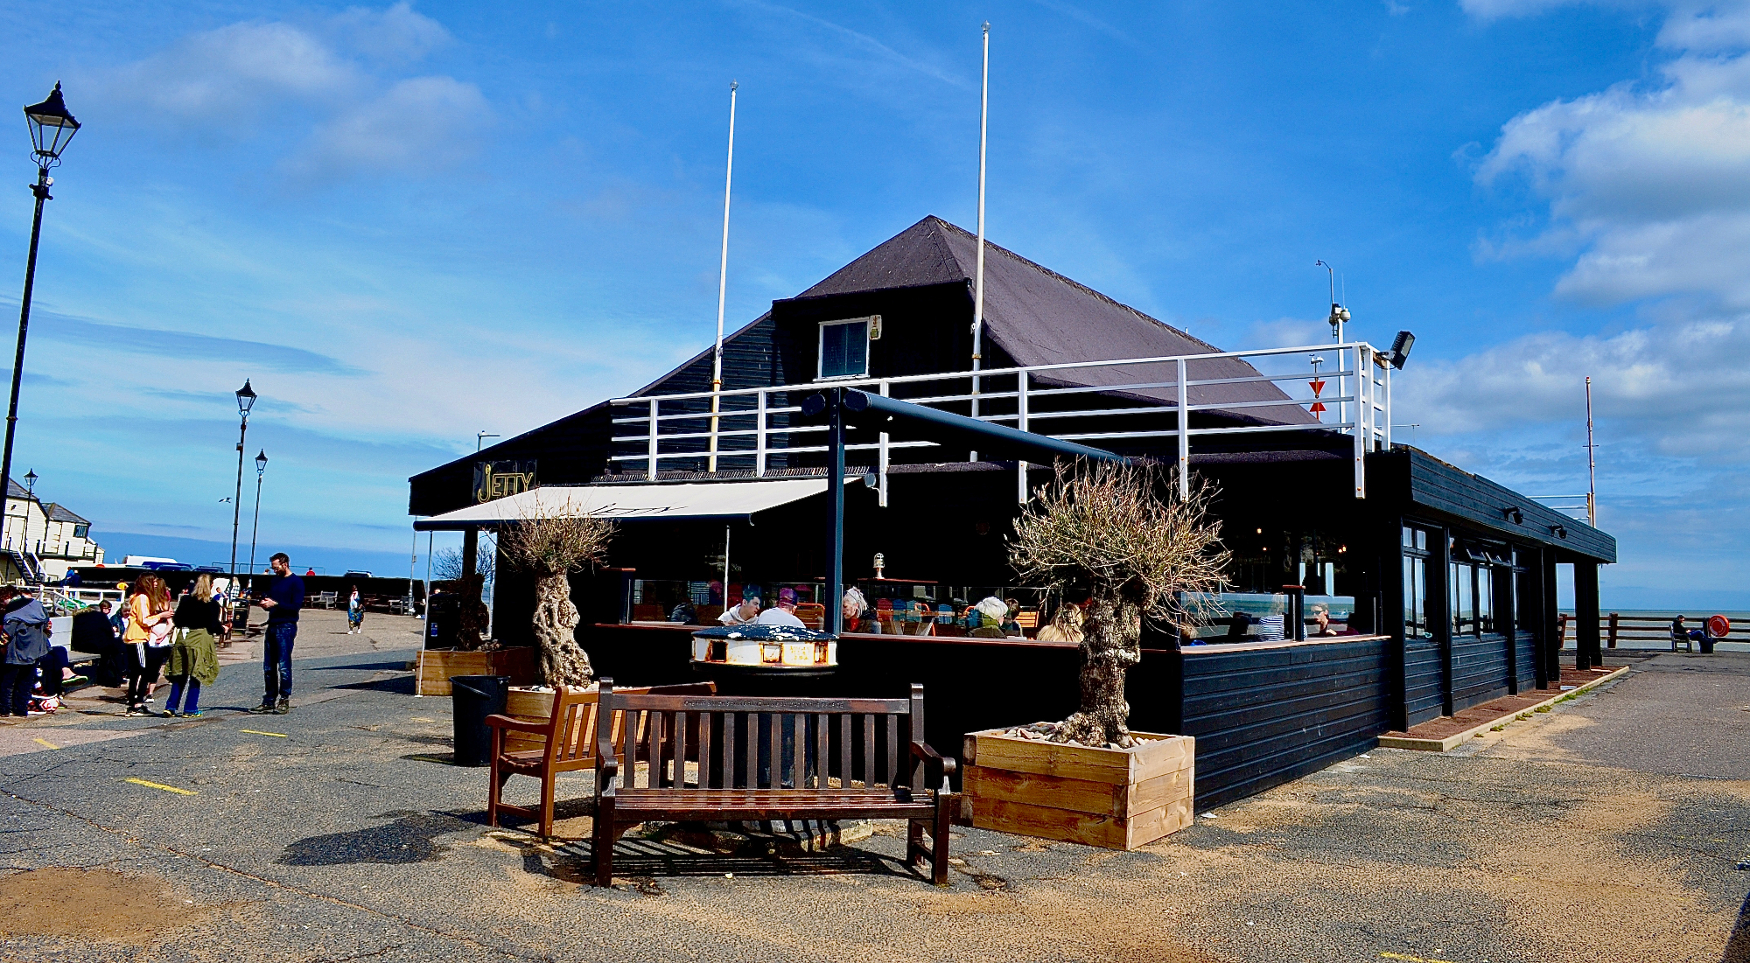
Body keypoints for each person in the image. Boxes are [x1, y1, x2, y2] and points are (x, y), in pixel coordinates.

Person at [163, 574, 222, 718]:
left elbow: (177, 619)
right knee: (197, 675)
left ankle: (171, 707)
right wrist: (223, 629)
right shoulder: (212, 604)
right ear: (211, 585)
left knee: (179, 674)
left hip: (183, 638)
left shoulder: (185, 600)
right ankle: (190, 708)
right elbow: (213, 625)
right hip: (200, 639)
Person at [252, 553, 304, 715]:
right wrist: (264, 601)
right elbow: (267, 594)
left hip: (286, 626)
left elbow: (295, 606)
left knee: (283, 665)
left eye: (276, 567)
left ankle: (284, 699)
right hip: (273, 625)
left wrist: (276, 604)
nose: (274, 570)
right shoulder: (275, 580)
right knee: (268, 666)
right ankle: (269, 699)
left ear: (285, 564)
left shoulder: (296, 583)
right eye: (273, 568)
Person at [122, 575, 175, 716]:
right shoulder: (142, 598)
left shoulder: (137, 597)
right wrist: (161, 616)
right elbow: (144, 620)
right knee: (143, 670)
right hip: (137, 637)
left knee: (136, 671)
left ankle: (134, 702)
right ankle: (136, 703)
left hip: (137, 637)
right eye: (154, 581)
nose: (156, 583)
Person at [0, 591, 55, 716]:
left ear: (8, 598)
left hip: (17, 652)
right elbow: (47, 627)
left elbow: (6, 635)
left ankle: (4, 709)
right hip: (36, 651)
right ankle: (20, 709)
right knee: (26, 682)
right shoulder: (39, 608)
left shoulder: (14, 614)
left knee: (8, 683)